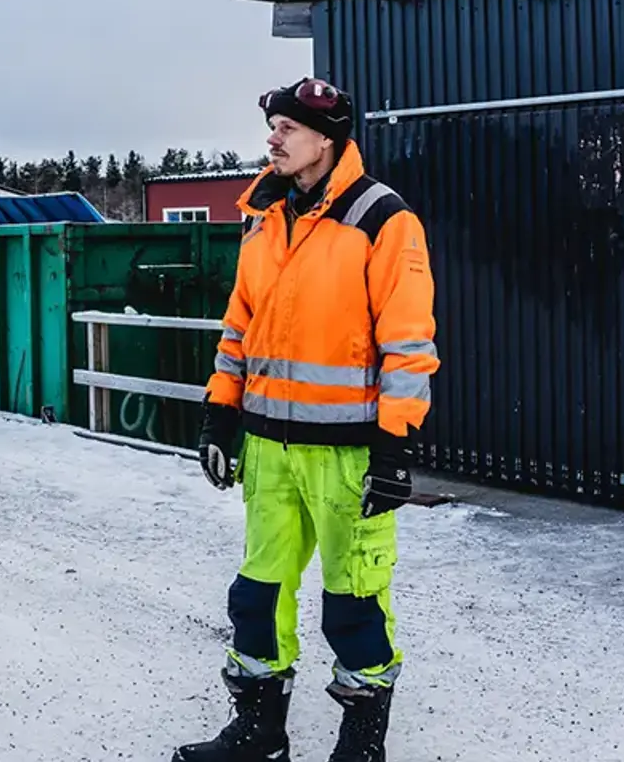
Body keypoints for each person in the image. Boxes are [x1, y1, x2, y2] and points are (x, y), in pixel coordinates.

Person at [174, 77, 438, 762]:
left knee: (354, 603)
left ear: (327, 138)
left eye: (287, 128)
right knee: (257, 595)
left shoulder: (383, 219)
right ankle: (260, 734)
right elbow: (240, 330)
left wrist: (393, 447)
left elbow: (408, 344)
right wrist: (219, 417)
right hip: (268, 450)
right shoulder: (264, 221)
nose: (273, 138)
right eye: (274, 127)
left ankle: (361, 744)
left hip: (349, 456)